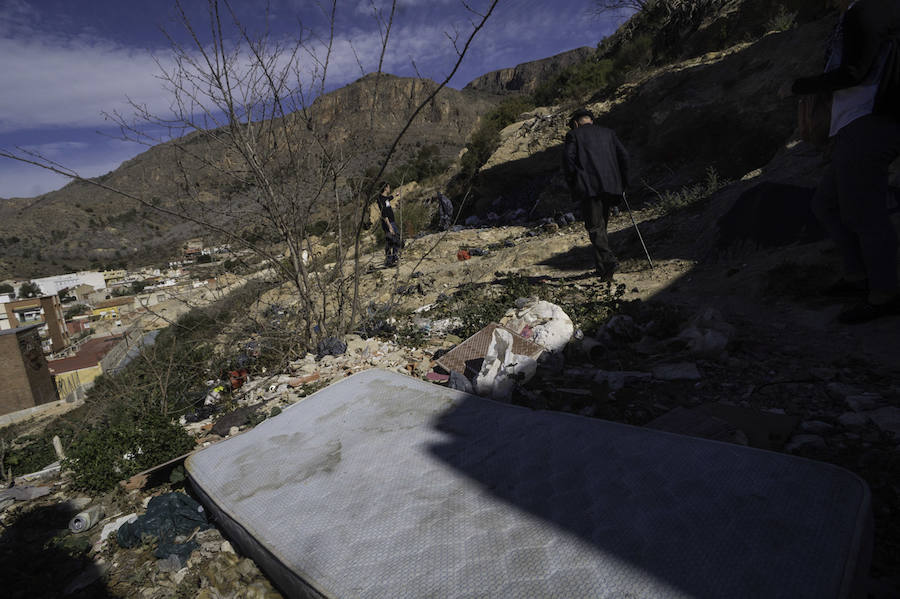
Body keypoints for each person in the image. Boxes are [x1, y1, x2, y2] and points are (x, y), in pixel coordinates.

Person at [792, 0, 900, 323]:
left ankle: (885, 294)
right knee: (826, 204)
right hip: (854, 124)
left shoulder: (867, 11)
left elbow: (855, 72)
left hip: (869, 122)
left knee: (865, 214)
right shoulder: (856, 14)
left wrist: (801, 86)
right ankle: (858, 278)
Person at [562, 107, 630, 281]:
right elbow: (624, 156)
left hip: (589, 188)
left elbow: (568, 161)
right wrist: (623, 182)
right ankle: (603, 271)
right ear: (591, 120)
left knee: (594, 227)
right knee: (602, 227)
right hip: (611, 186)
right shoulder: (608, 133)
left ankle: (609, 261)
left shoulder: (574, 135)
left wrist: (573, 182)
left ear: (576, 123)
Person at [377, 182, 402, 267]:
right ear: (385, 188)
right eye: (388, 187)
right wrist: (390, 226)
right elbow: (384, 214)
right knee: (392, 240)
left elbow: (389, 198)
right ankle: (390, 259)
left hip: (391, 222)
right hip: (389, 223)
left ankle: (392, 258)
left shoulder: (384, 198)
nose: (389, 189)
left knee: (393, 239)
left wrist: (396, 195)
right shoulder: (381, 199)